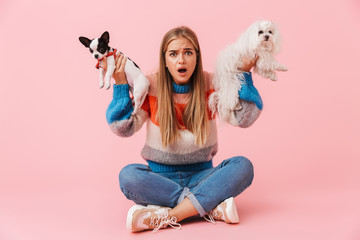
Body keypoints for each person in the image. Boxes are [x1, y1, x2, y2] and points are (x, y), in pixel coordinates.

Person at [104, 26, 263, 232]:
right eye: (173, 54)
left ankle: (171, 215)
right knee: (128, 176)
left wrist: (244, 75)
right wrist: (120, 87)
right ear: (165, 60)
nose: (181, 60)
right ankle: (208, 206)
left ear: (197, 57)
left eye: (188, 52)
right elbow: (122, 128)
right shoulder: (150, 85)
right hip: (160, 179)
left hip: (203, 176)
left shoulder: (212, 83)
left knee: (243, 166)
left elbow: (244, 118)